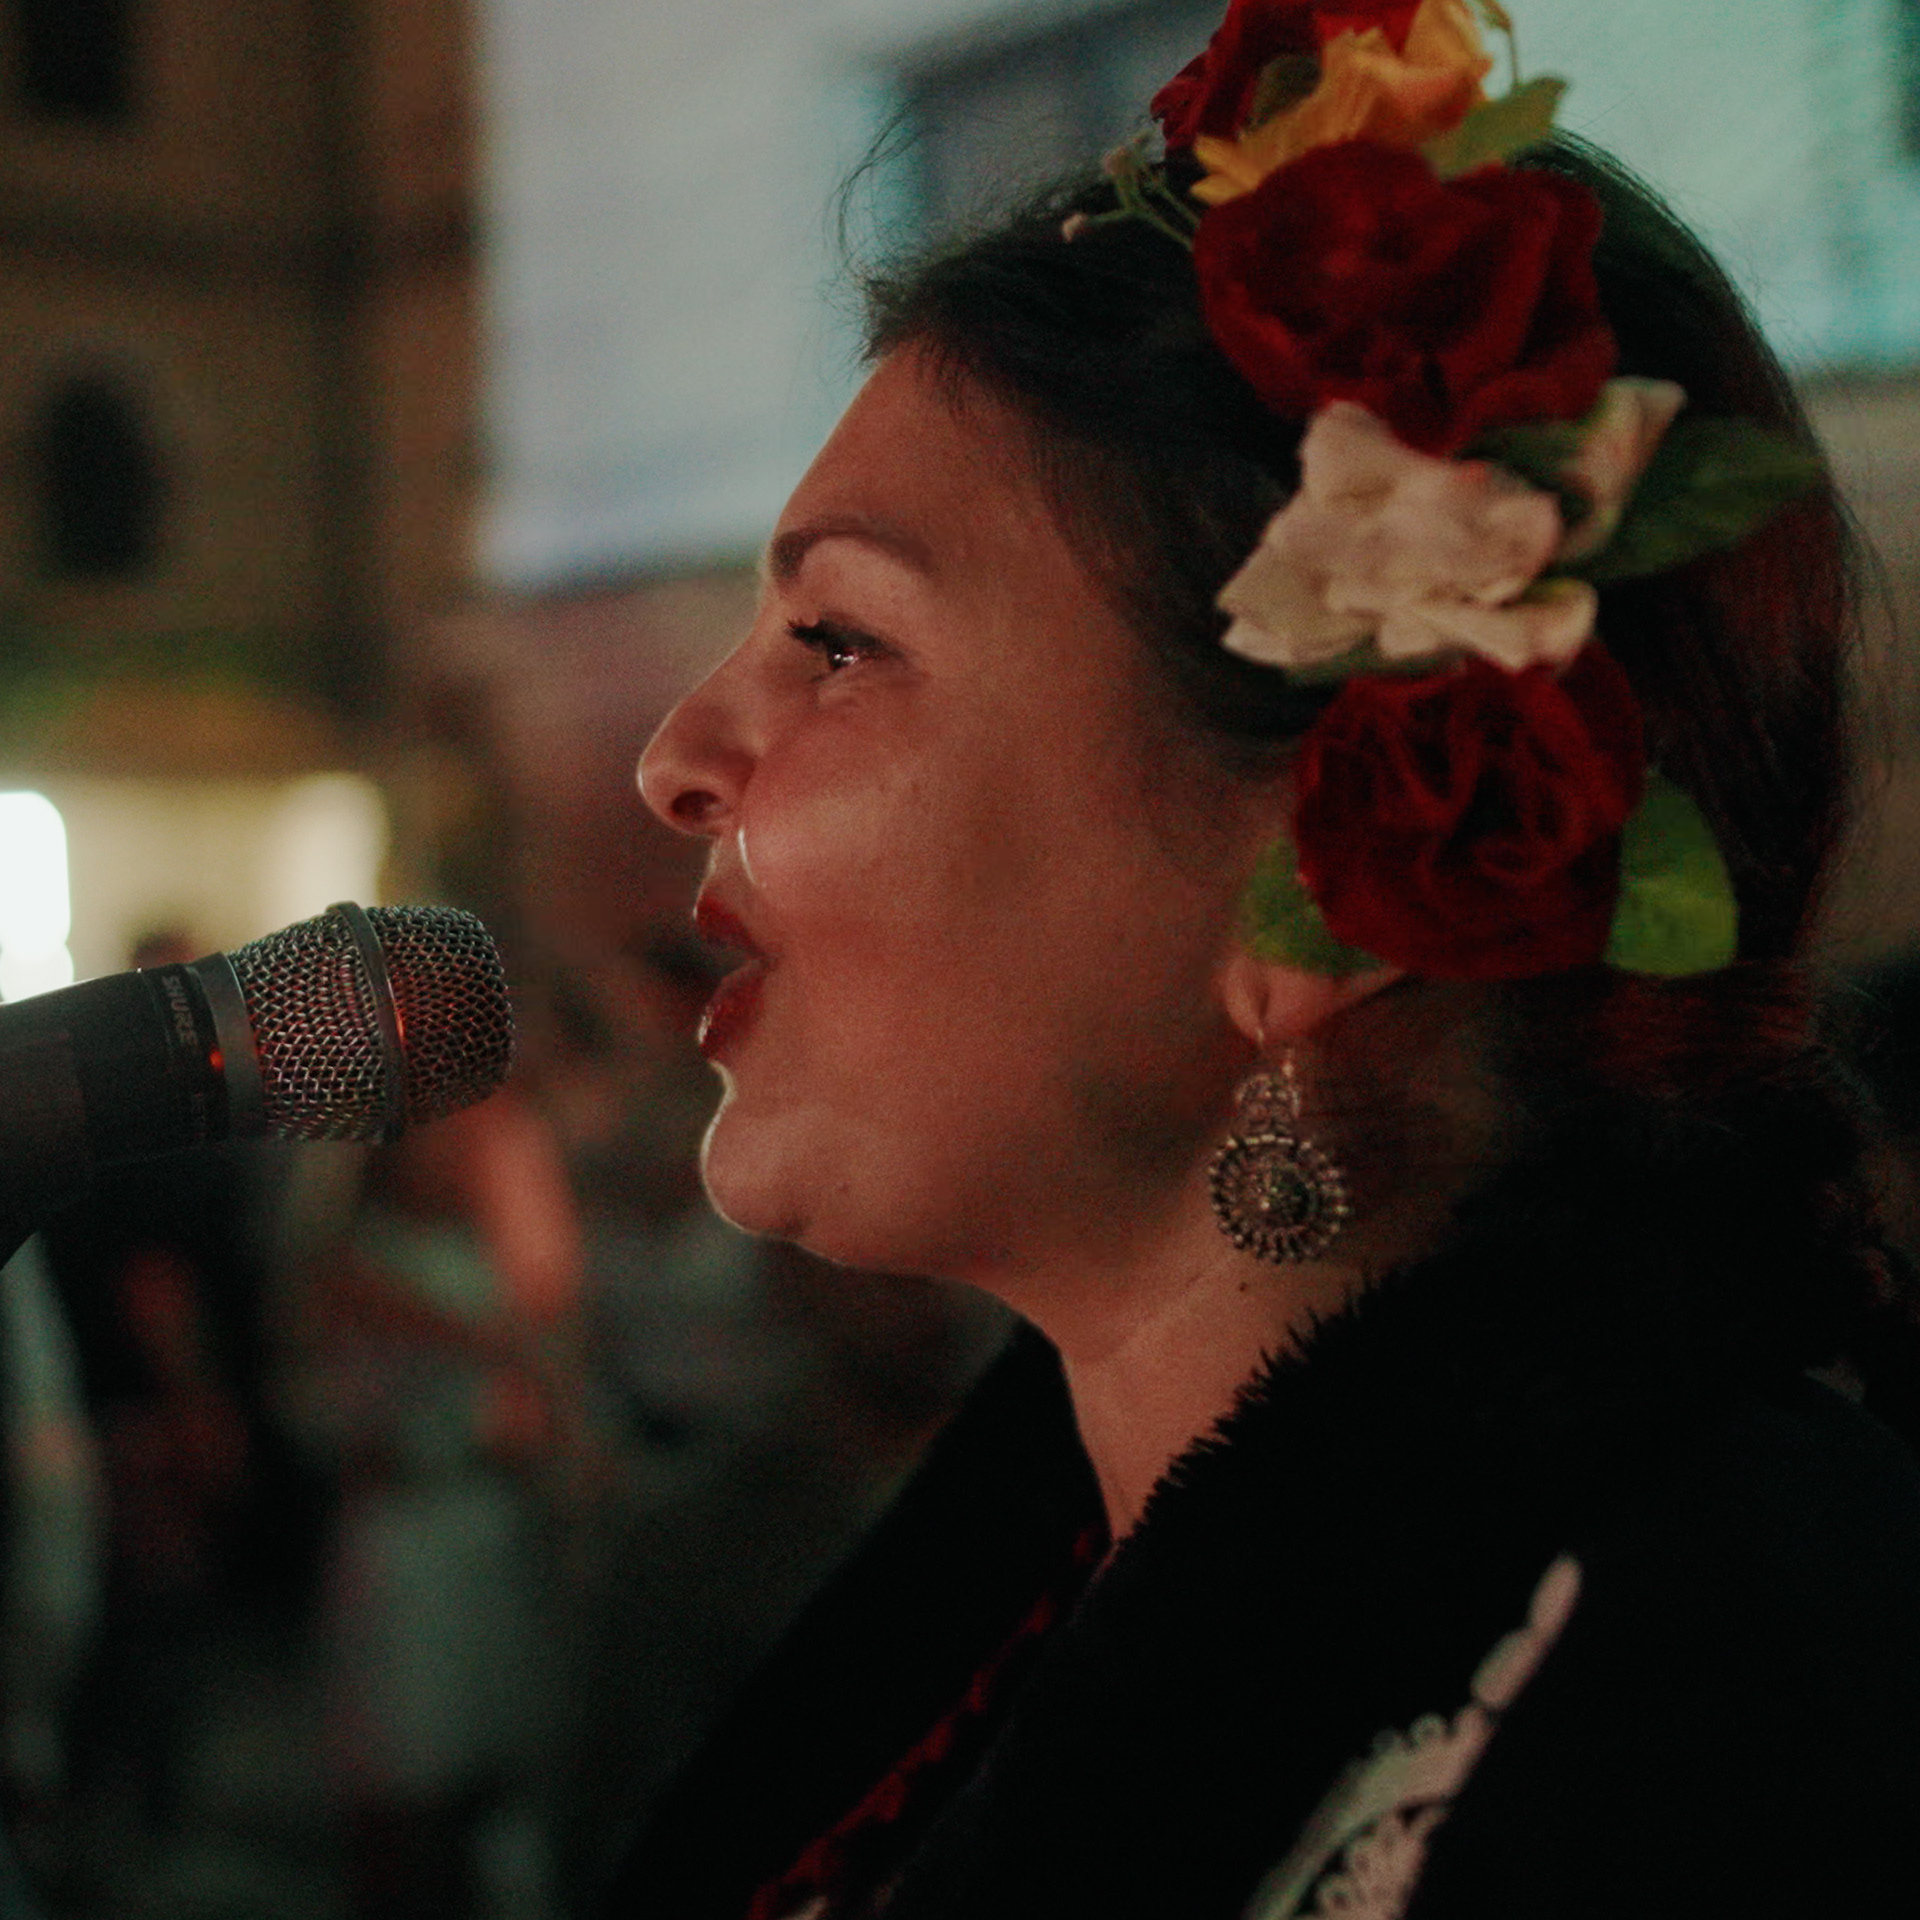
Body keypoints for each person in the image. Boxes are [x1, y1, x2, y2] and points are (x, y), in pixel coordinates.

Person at [607, 2, 1920, 1914]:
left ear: (1339, 877)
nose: (674, 758)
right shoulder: (1000, 1629)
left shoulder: (1754, 1721)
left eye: (841, 643)